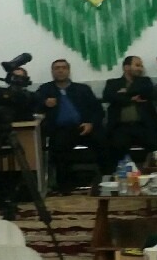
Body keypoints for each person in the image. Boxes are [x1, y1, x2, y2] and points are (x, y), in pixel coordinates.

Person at [34, 58, 106, 191]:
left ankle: (105, 180)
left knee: (104, 140)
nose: (60, 70)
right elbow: (33, 108)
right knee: (59, 146)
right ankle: (65, 186)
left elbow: (98, 110)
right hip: (60, 130)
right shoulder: (45, 89)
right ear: (52, 72)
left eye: (63, 68)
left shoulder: (82, 89)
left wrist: (91, 123)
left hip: (84, 127)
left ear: (68, 70)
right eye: (57, 68)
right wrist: (44, 103)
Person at [102, 54, 157, 169]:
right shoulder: (112, 83)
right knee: (115, 146)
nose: (140, 68)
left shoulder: (145, 81)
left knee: (156, 144)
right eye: (137, 65)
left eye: (141, 66)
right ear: (126, 67)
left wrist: (125, 92)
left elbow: (149, 92)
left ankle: (155, 173)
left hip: (143, 126)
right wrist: (131, 99)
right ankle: (119, 175)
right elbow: (108, 96)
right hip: (120, 127)